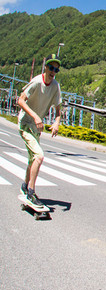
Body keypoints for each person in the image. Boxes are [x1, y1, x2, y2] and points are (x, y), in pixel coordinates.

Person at [16, 54, 63, 207]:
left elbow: (58, 110)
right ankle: (31, 191)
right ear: (46, 67)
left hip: (36, 126)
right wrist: (36, 116)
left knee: (32, 159)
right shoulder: (36, 82)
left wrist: (56, 123)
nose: (53, 71)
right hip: (25, 124)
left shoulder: (55, 86)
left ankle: (25, 185)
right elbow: (21, 100)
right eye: (51, 67)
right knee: (39, 156)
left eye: (56, 69)